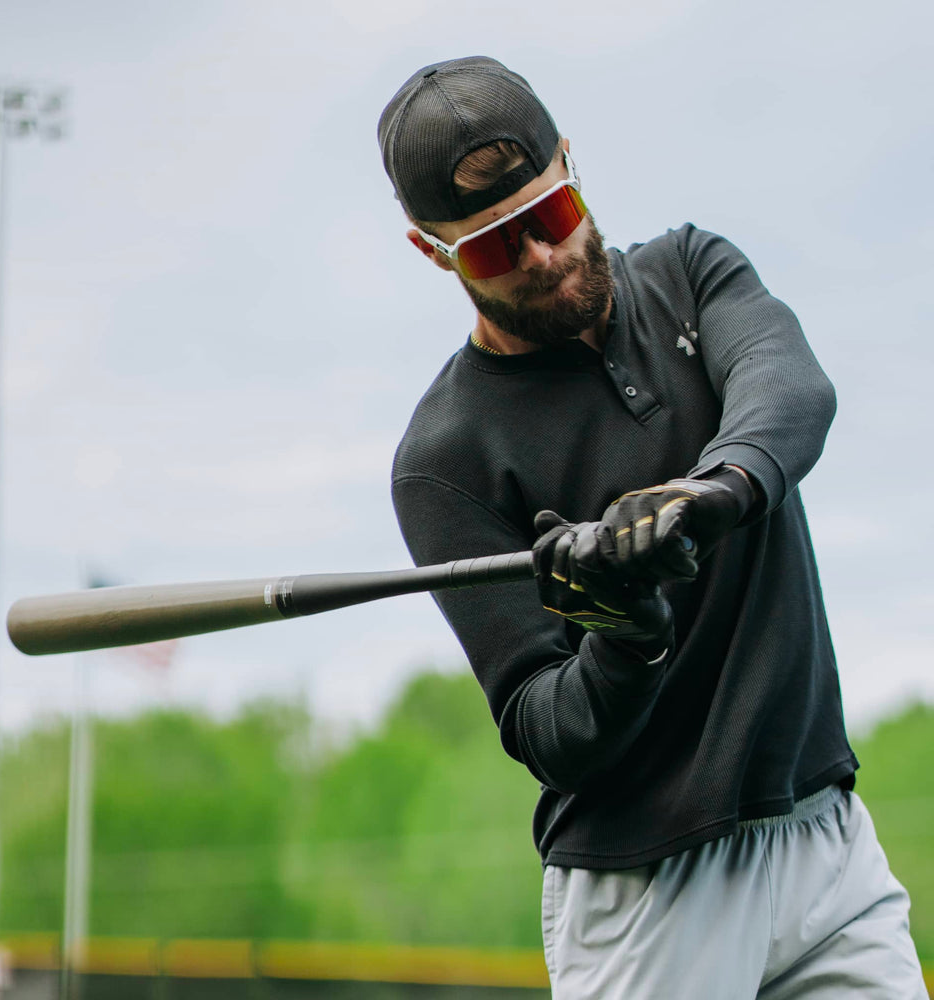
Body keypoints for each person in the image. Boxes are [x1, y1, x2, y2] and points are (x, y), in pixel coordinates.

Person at [377, 56, 926, 998]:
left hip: (826, 841)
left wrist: (705, 496)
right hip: (648, 891)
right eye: (495, 248)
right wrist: (623, 639)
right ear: (434, 253)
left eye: (549, 215)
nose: (540, 256)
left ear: (570, 164)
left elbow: (791, 389)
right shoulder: (444, 461)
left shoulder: (691, 271)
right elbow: (545, 729)